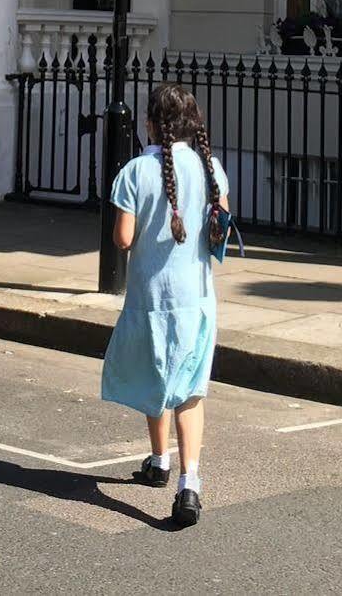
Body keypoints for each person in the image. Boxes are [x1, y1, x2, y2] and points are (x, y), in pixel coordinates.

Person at [100, 83, 229, 530]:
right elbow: (220, 229)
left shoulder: (135, 172)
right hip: (196, 300)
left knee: (156, 376)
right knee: (189, 391)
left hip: (149, 300)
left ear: (151, 123)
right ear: (193, 124)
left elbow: (123, 238)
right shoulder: (211, 168)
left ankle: (158, 460)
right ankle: (188, 483)